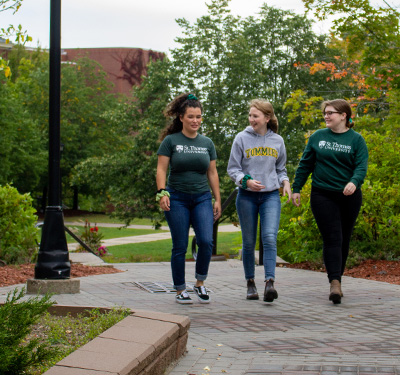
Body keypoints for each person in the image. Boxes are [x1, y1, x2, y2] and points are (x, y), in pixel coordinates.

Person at [292, 99, 368, 304]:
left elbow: (361, 166)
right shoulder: (318, 137)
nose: (326, 116)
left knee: (344, 238)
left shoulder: (356, 140)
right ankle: (334, 282)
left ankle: (338, 280)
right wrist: (297, 188)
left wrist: (354, 182)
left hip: (349, 196)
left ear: (344, 115)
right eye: (325, 113)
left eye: (330, 113)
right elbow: (305, 164)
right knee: (333, 236)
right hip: (322, 194)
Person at [156, 93, 221, 304]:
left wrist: (217, 199)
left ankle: (200, 283)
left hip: (202, 197)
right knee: (180, 245)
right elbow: (161, 169)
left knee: (206, 240)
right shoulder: (171, 141)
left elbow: (212, 173)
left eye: (199, 117)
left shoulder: (207, 143)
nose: (195, 121)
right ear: (181, 118)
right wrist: (162, 192)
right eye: (191, 116)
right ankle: (180, 289)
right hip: (177, 198)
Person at [227, 99, 291, 303]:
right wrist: (246, 181)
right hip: (246, 196)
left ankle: (270, 282)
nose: (251, 119)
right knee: (248, 242)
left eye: (255, 116)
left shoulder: (278, 141)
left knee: (270, 238)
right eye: (250, 115)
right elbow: (232, 169)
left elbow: (281, 169)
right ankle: (250, 283)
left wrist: (286, 182)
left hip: (271, 195)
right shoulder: (241, 138)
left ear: (267, 117)